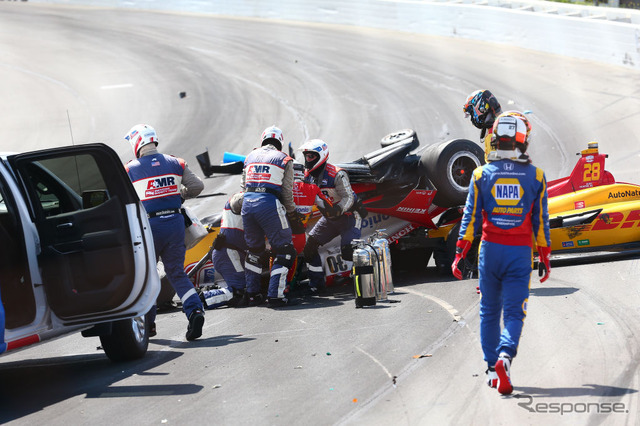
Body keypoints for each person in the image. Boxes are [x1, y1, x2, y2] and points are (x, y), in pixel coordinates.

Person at [451, 112, 551, 395]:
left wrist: (460, 252)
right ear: (523, 140)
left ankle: (490, 368)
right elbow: (540, 221)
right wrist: (544, 255)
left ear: (495, 138)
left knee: (488, 313)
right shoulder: (537, 176)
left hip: (489, 252)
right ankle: (505, 358)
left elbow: (469, 218)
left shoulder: (481, 174)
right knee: (514, 314)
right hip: (519, 253)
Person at [124, 124, 206, 341]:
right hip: (175, 222)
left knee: (148, 275)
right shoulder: (175, 162)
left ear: (136, 143)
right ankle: (195, 310)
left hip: (149, 227)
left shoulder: (130, 169)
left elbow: (123, 201)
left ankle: (148, 326)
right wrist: (178, 195)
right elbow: (197, 187)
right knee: (176, 272)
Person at [241, 125, 302, 307]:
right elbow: (287, 193)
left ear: (263, 140)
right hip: (268, 204)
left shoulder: (249, 156)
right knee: (286, 251)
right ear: (280, 143)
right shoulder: (285, 159)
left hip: (247, 204)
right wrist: (292, 214)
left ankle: (252, 294)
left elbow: (244, 186)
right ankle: (275, 295)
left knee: (254, 251)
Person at [299, 139, 363, 293]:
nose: (307, 160)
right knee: (308, 248)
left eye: (311, 157)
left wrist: (339, 209)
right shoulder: (306, 176)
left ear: (321, 155)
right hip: (329, 219)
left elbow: (349, 197)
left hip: (350, 216)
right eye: (306, 156)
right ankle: (316, 284)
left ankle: (361, 282)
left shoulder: (337, 173)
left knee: (349, 250)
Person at [203, 192, 247, 308]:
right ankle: (200, 299)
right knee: (241, 293)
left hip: (231, 254)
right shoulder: (241, 198)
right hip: (230, 255)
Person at [463, 89, 502, 161]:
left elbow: (494, 166)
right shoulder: (502, 124)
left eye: (471, 113)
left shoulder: (493, 133)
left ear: (479, 107)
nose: (472, 119)